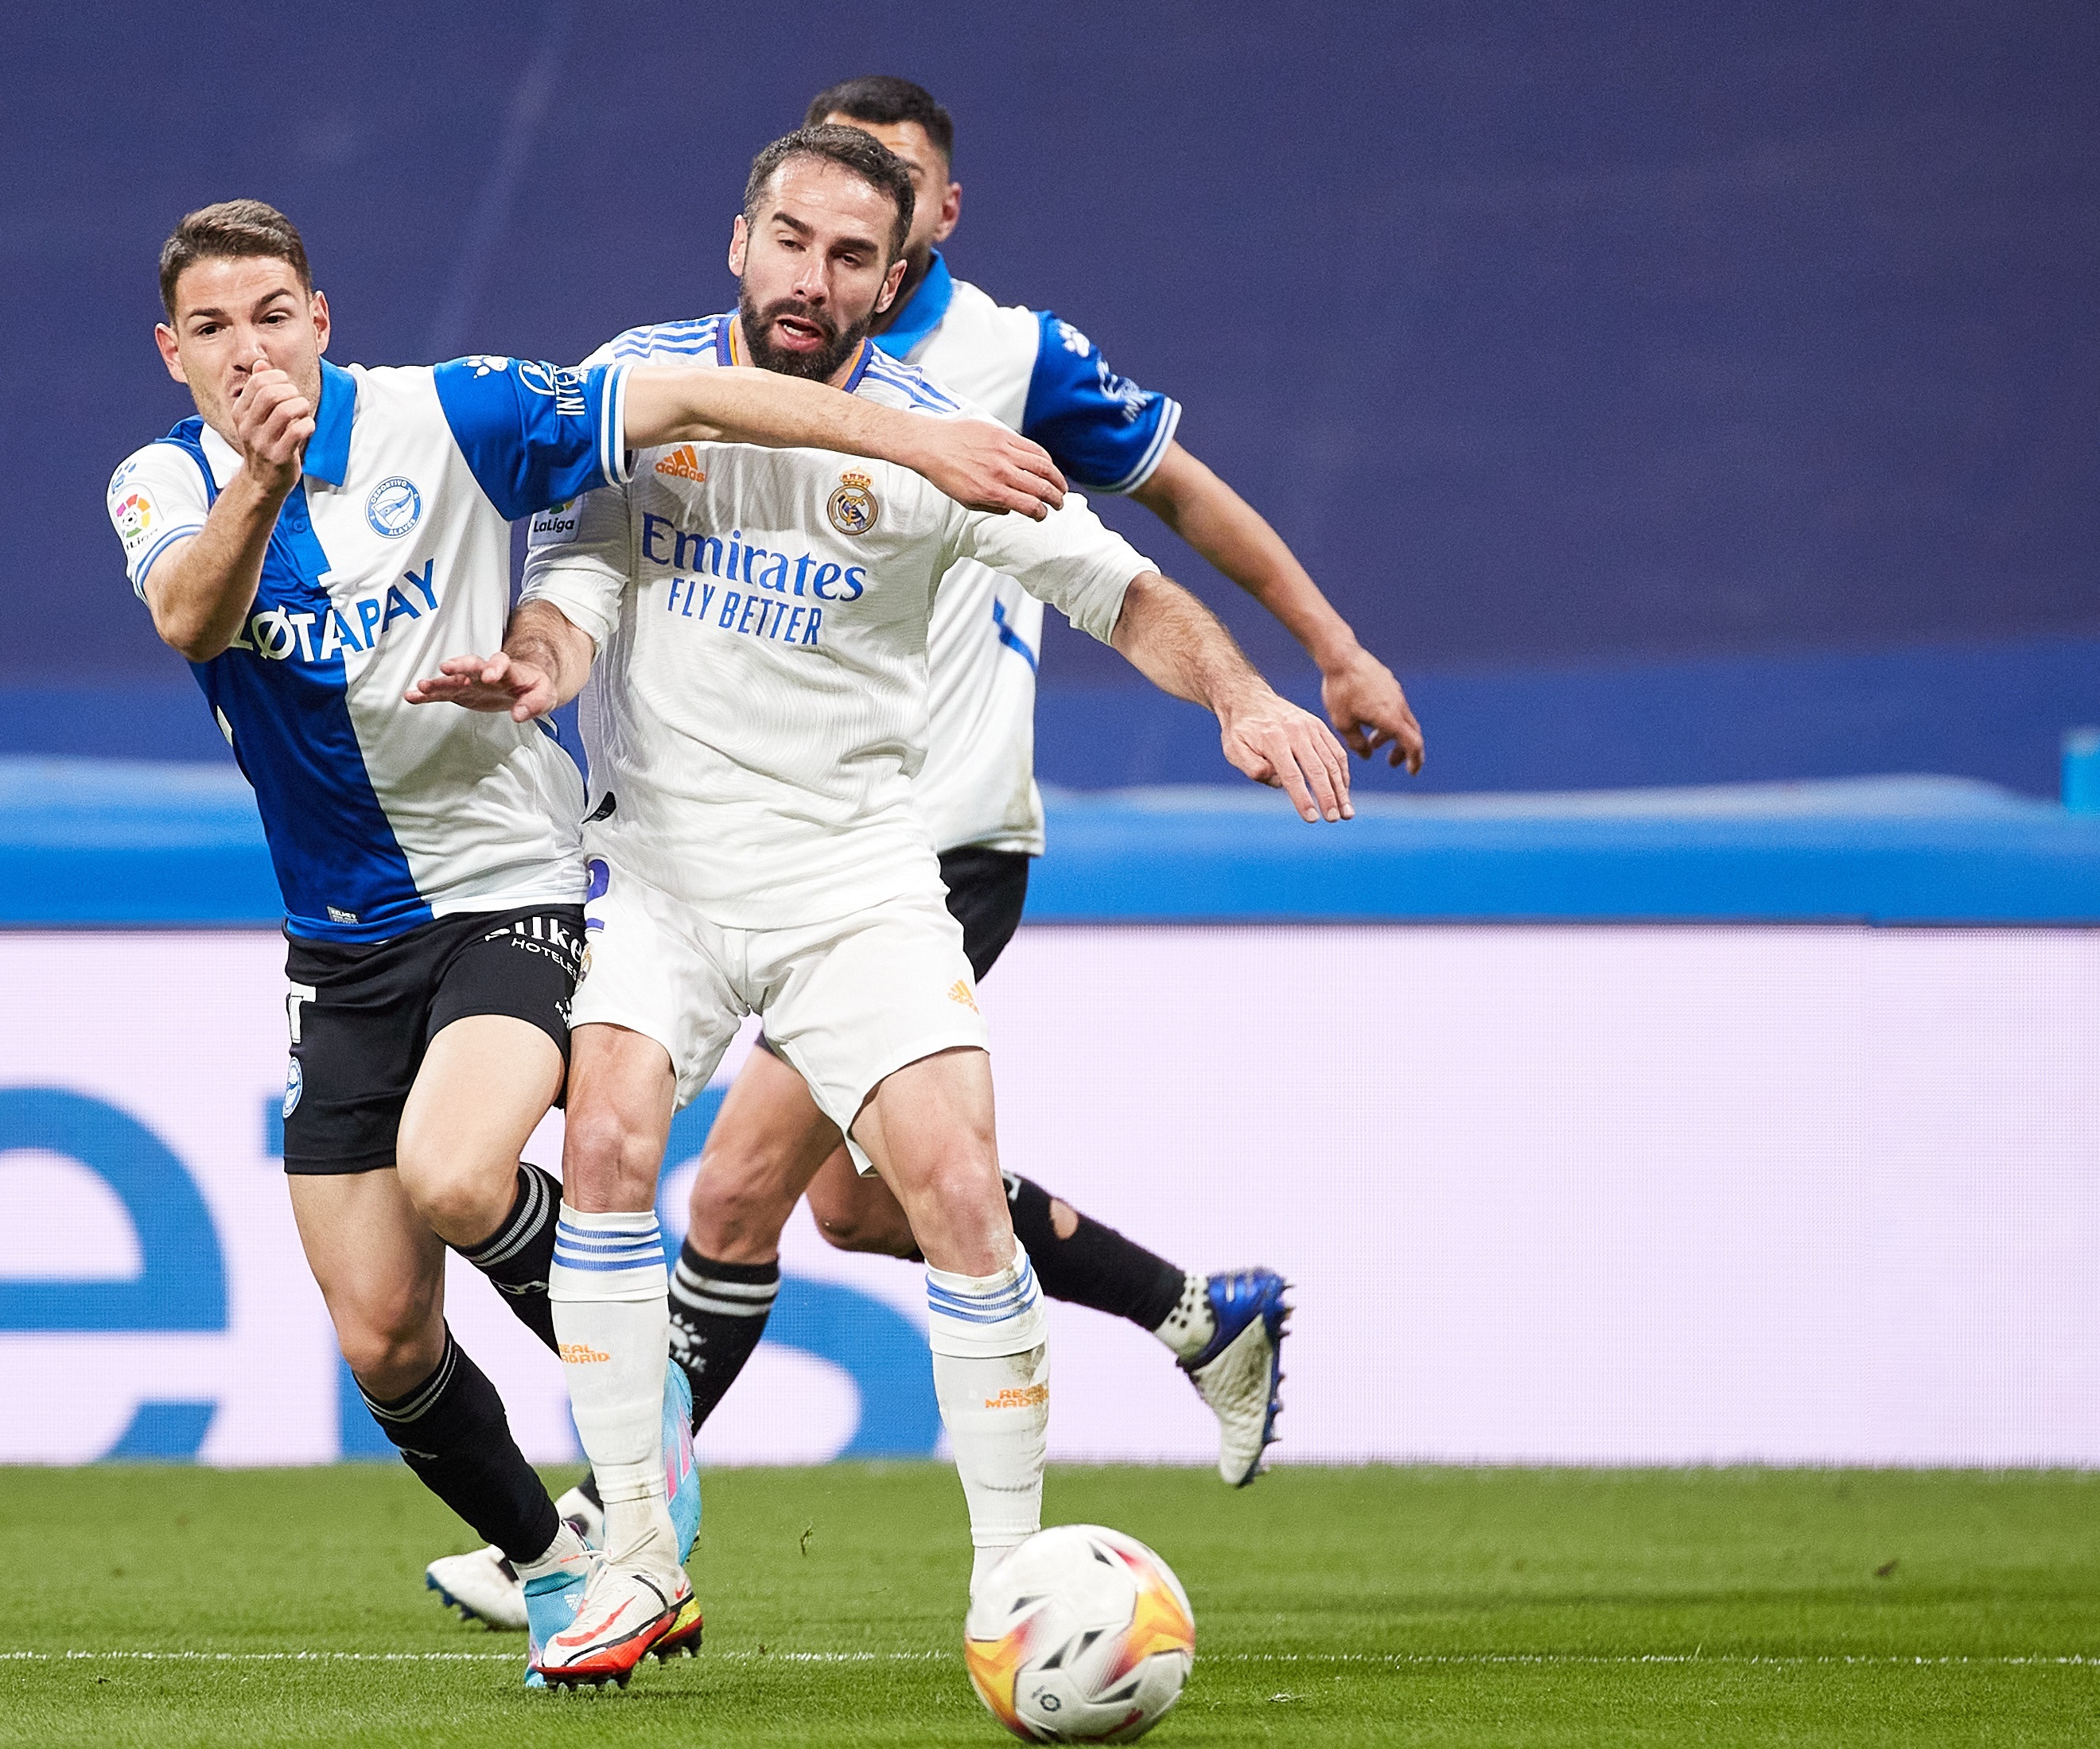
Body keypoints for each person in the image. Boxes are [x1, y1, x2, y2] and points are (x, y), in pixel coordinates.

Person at [422, 76, 1425, 1639]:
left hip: (854, 878)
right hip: (661, 874)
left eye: (846, 256)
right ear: (737, 239)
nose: (808, 277)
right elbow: (582, 565)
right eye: (786, 240)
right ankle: (630, 1551)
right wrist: (541, 657)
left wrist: (1240, 687)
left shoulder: (943, 442)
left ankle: (1009, 1583)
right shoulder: (641, 381)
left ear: (892, 279)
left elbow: (1124, 586)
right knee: (614, 1148)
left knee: (946, 1184)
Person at [104, 198, 1069, 1685]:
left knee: (456, 1170)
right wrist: (258, 479)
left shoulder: (452, 414)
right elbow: (190, 614)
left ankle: (652, 1415)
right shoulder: (158, 486)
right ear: (175, 355)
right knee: (380, 1340)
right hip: (336, 945)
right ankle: (563, 1568)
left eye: (276, 315)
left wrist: (918, 442)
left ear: (322, 318)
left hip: (511, 886)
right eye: (216, 331)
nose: (253, 352)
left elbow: (681, 391)